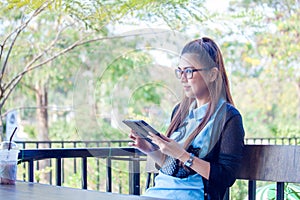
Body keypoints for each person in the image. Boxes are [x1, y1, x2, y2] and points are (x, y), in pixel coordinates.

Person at [128, 37, 245, 200]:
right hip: (157, 194)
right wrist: (151, 149)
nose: (183, 78)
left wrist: (182, 155)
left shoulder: (228, 117)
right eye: (179, 71)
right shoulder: (180, 112)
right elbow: (174, 168)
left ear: (212, 74)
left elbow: (225, 177)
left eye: (189, 71)